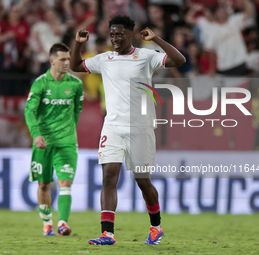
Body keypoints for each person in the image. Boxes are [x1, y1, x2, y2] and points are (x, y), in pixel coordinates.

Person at [70, 15, 185, 245]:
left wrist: (156, 39)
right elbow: (75, 66)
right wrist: (79, 44)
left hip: (140, 127)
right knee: (108, 177)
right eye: (112, 34)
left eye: (119, 34)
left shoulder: (145, 56)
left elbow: (178, 59)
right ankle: (107, 233)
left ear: (130, 35)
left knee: (142, 181)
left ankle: (156, 227)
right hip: (112, 125)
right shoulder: (105, 59)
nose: (115, 38)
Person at [25, 43, 84, 236]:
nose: (67, 63)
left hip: (67, 142)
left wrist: (68, 131)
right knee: (43, 184)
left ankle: (63, 224)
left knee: (65, 182)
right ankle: (47, 223)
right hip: (44, 143)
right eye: (63, 59)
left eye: (68, 59)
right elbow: (30, 111)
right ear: (52, 61)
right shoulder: (40, 83)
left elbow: (77, 111)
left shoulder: (75, 84)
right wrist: (36, 135)